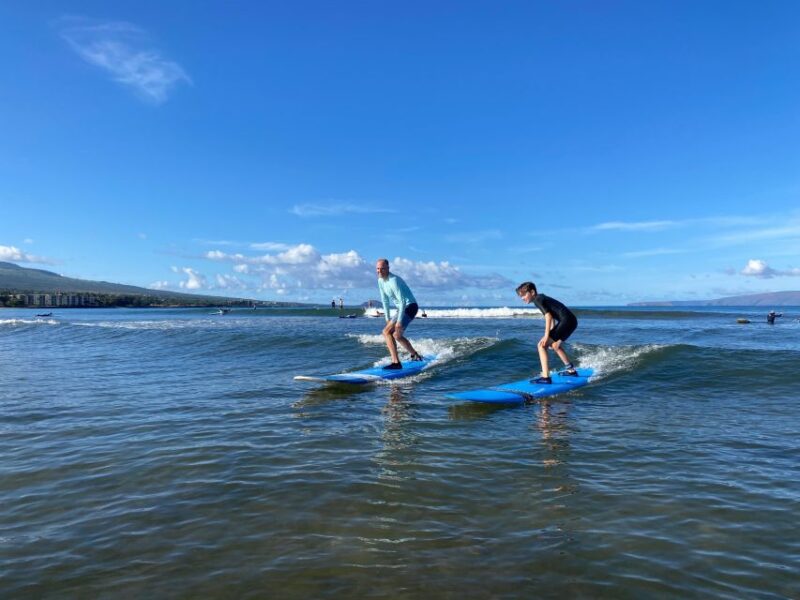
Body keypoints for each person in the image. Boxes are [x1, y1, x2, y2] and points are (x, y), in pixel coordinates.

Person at [516, 281, 578, 384]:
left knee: (541, 345)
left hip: (566, 321)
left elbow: (548, 317)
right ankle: (571, 371)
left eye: (524, 295)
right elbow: (552, 316)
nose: (522, 298)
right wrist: (551, 335)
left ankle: (546, 377)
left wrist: (546, 336)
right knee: (555, 345)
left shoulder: (537, 300)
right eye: (520, 296)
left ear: (532, 292)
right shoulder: (541, 298)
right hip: (571, 321)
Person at [376, 258, 422, 369]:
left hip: (410, 306)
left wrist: (399, 321)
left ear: (388, 268)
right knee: (396, 335)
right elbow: (385, 300)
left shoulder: (394, 280)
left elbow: (402, 302)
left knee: (386, 331)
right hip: (402, 308)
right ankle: (415, 355)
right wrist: (387, 318)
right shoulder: (380, 281)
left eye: (382, 269)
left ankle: (396, 363)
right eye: (377, 269)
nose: (379, 271)